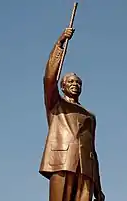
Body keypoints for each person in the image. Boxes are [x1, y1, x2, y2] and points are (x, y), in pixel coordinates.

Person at [39, 27, 105, 201]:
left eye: (78, 82)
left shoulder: (90, 116)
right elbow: (49, 78)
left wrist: (98, 188)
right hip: (61, 161)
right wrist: (60, 44)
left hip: (86, 170)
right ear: (63, 86)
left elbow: (93, 150)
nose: (75, 84)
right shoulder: (56, 105)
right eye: (70, 81)